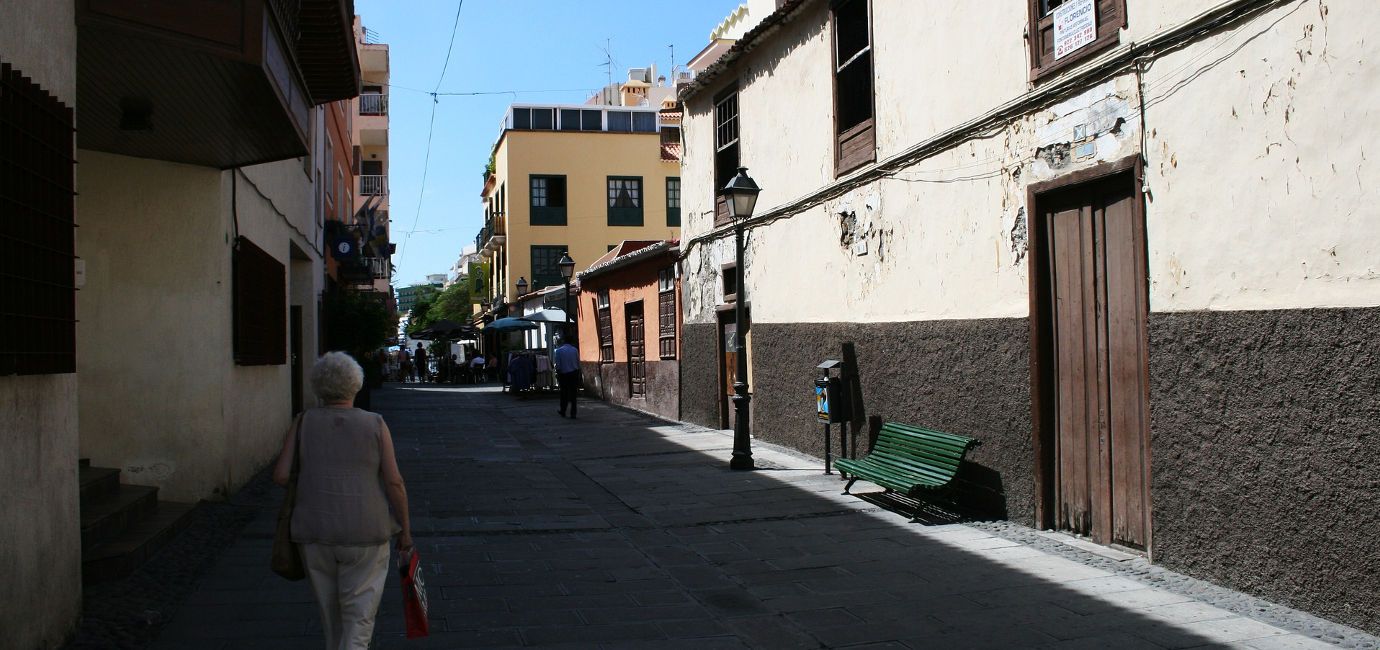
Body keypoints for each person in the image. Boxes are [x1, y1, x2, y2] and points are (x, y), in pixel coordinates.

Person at [273, 352, 412, 650]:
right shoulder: (375, 424)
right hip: (367, 530)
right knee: (359, 619)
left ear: (318, 386)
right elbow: (394, 482)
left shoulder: (303, 421)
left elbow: (281, 475)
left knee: (331, 618)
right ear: (356, 384)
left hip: (313, 529)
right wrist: (405, 529)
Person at [553, 337, 580, 418]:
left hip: (563, 374)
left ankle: (563, 411)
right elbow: (577, 362)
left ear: (563, 341)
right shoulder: (575, 350)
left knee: (564, 393)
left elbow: (558, 365)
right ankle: (573, 413)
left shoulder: (559, 351)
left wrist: (558, 374)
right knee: (573, 394)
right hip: (574, 373)